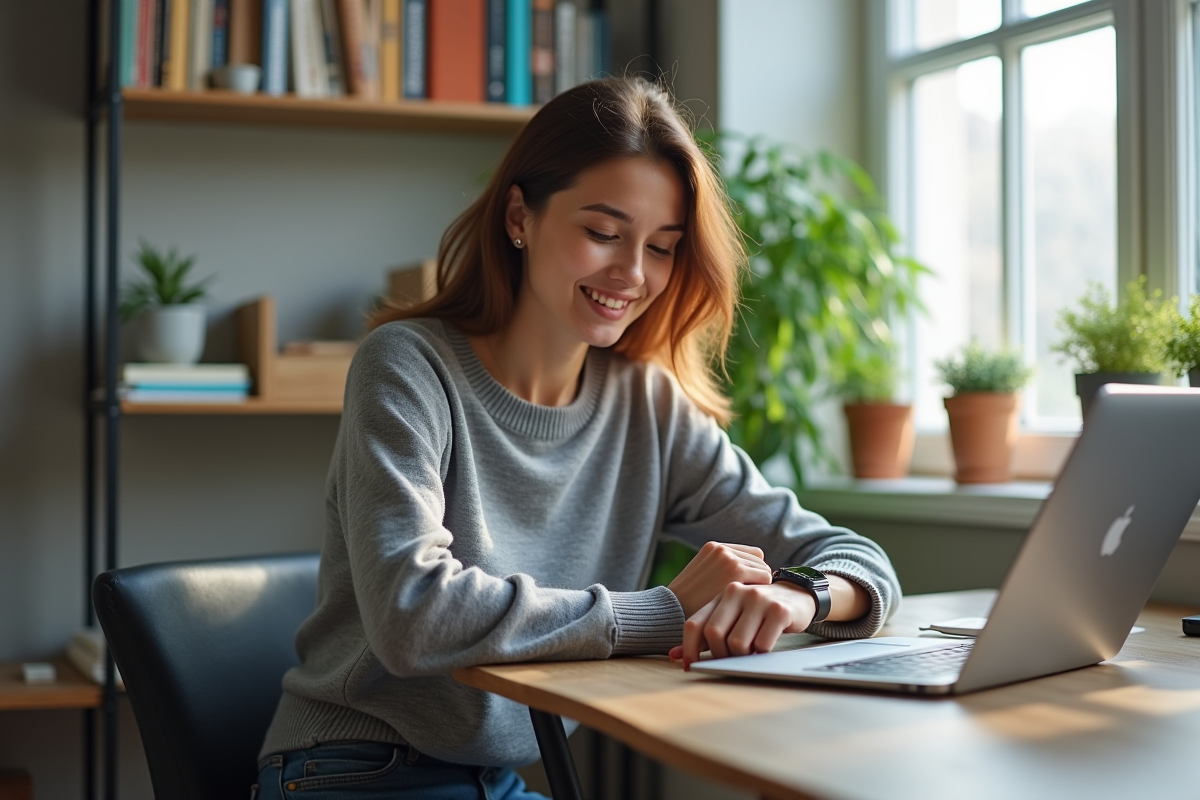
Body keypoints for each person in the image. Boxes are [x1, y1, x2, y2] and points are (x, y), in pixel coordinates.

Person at [253, 76, 900, 800]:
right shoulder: (408, 364)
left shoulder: (646, 405)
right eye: (602, 233)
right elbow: (414, 615)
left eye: (662, 247)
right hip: (351, 769)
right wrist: (666, 610)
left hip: (496, 779)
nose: (632, 274)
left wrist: (803, 596)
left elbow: (855, 558)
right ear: (519, 216)